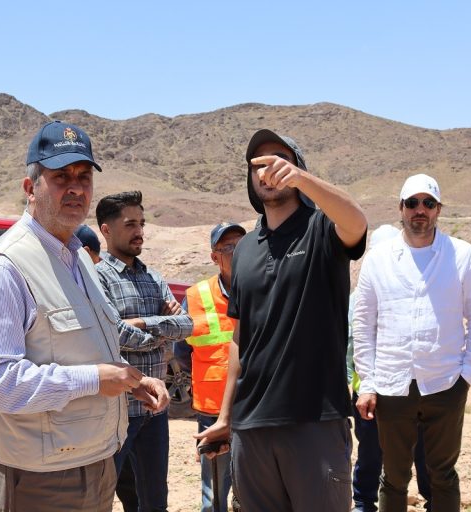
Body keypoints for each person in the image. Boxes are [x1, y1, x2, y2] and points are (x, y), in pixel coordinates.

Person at [0, 121, 169, 512]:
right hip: (41, 476)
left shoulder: (78, 258)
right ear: (31, 188)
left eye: (84, 176)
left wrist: (131, 380)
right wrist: (94, 379)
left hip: (96, 461)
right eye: (61, 177)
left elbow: (86, 348)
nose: (75, 188)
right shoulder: (6, 267)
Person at [197, 129, 368, 511]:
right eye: (257, 164)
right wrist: (226, 417)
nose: (268, 170)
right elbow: (240, 338)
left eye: (279, 159)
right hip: (251, 427)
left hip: (314, 421)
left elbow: (356, 222)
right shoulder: (244, 250)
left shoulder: (322, 229)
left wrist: (303, 179)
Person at [352, 173, 471, 511]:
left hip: (445, 383)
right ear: (400, 208)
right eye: (412, 203)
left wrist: (466, 375)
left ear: (438, 209)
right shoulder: (379, 258)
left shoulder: (462, 255)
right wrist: (368, 382)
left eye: (428, 203)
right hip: (392, 386)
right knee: (394, 476)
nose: (420, 210)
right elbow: (364, 324)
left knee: (443, 474)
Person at [95, 190, 194, 512]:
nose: (139, 231)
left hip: (155, 411)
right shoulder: (97, 279)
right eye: (130, 224)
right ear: (106, 230)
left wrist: (140, 323)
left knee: (154, 501)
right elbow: (112, 335)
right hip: (116, 412)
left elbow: (186, 326)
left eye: (141, 223)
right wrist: (162, 328)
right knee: (101, 497)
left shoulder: (153, 277)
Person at [347, 224, 432, 512]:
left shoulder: (413, 293)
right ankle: (365, 502)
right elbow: (350, 346)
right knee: (373, 452)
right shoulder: (356, 300)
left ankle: (429, 499)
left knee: (418, 450)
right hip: (370, 392)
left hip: (406, 388)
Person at [175, 221, 247, 512]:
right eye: (229, 248)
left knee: (254, 488)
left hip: (255, 404)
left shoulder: (265, 289)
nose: (237, 252)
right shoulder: (196, 296)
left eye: (242, 245)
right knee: (214, 491)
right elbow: (182, 352)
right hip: (212, 408)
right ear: (214, 257)